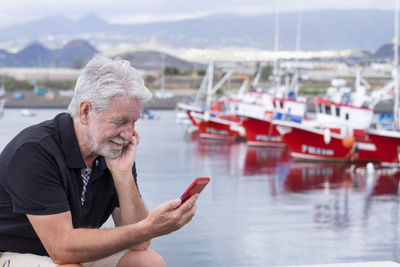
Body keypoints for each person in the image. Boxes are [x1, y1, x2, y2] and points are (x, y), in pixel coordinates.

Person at [0, 55, 198, 267]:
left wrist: (123, 175)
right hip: (10, 251)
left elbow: (140, 244)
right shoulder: (34, 151)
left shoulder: (111, 150)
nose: (129, 134)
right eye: (121, 121)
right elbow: (62, 249)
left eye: (134, 122)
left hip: (66, 252)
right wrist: (148, 226)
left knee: (147, 262)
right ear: (85, 112)